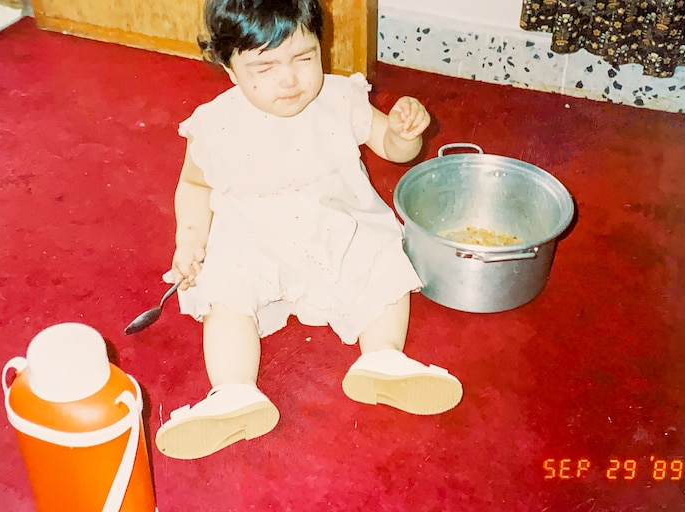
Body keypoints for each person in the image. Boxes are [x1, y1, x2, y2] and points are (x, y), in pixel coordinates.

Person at [155, 0, 463, 460]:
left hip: (337, 227)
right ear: (230, 69)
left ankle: (383, 356)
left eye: (304, 57)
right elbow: (195, 184)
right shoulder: (216, 124)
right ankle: (233, 391)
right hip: (253, 240)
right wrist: (191, 239)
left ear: (321, 46)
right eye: (265, 67)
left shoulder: (339, 98)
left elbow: (392, 148)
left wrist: (404, 133)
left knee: (382, 260)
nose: (290, 80)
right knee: (224, 294)